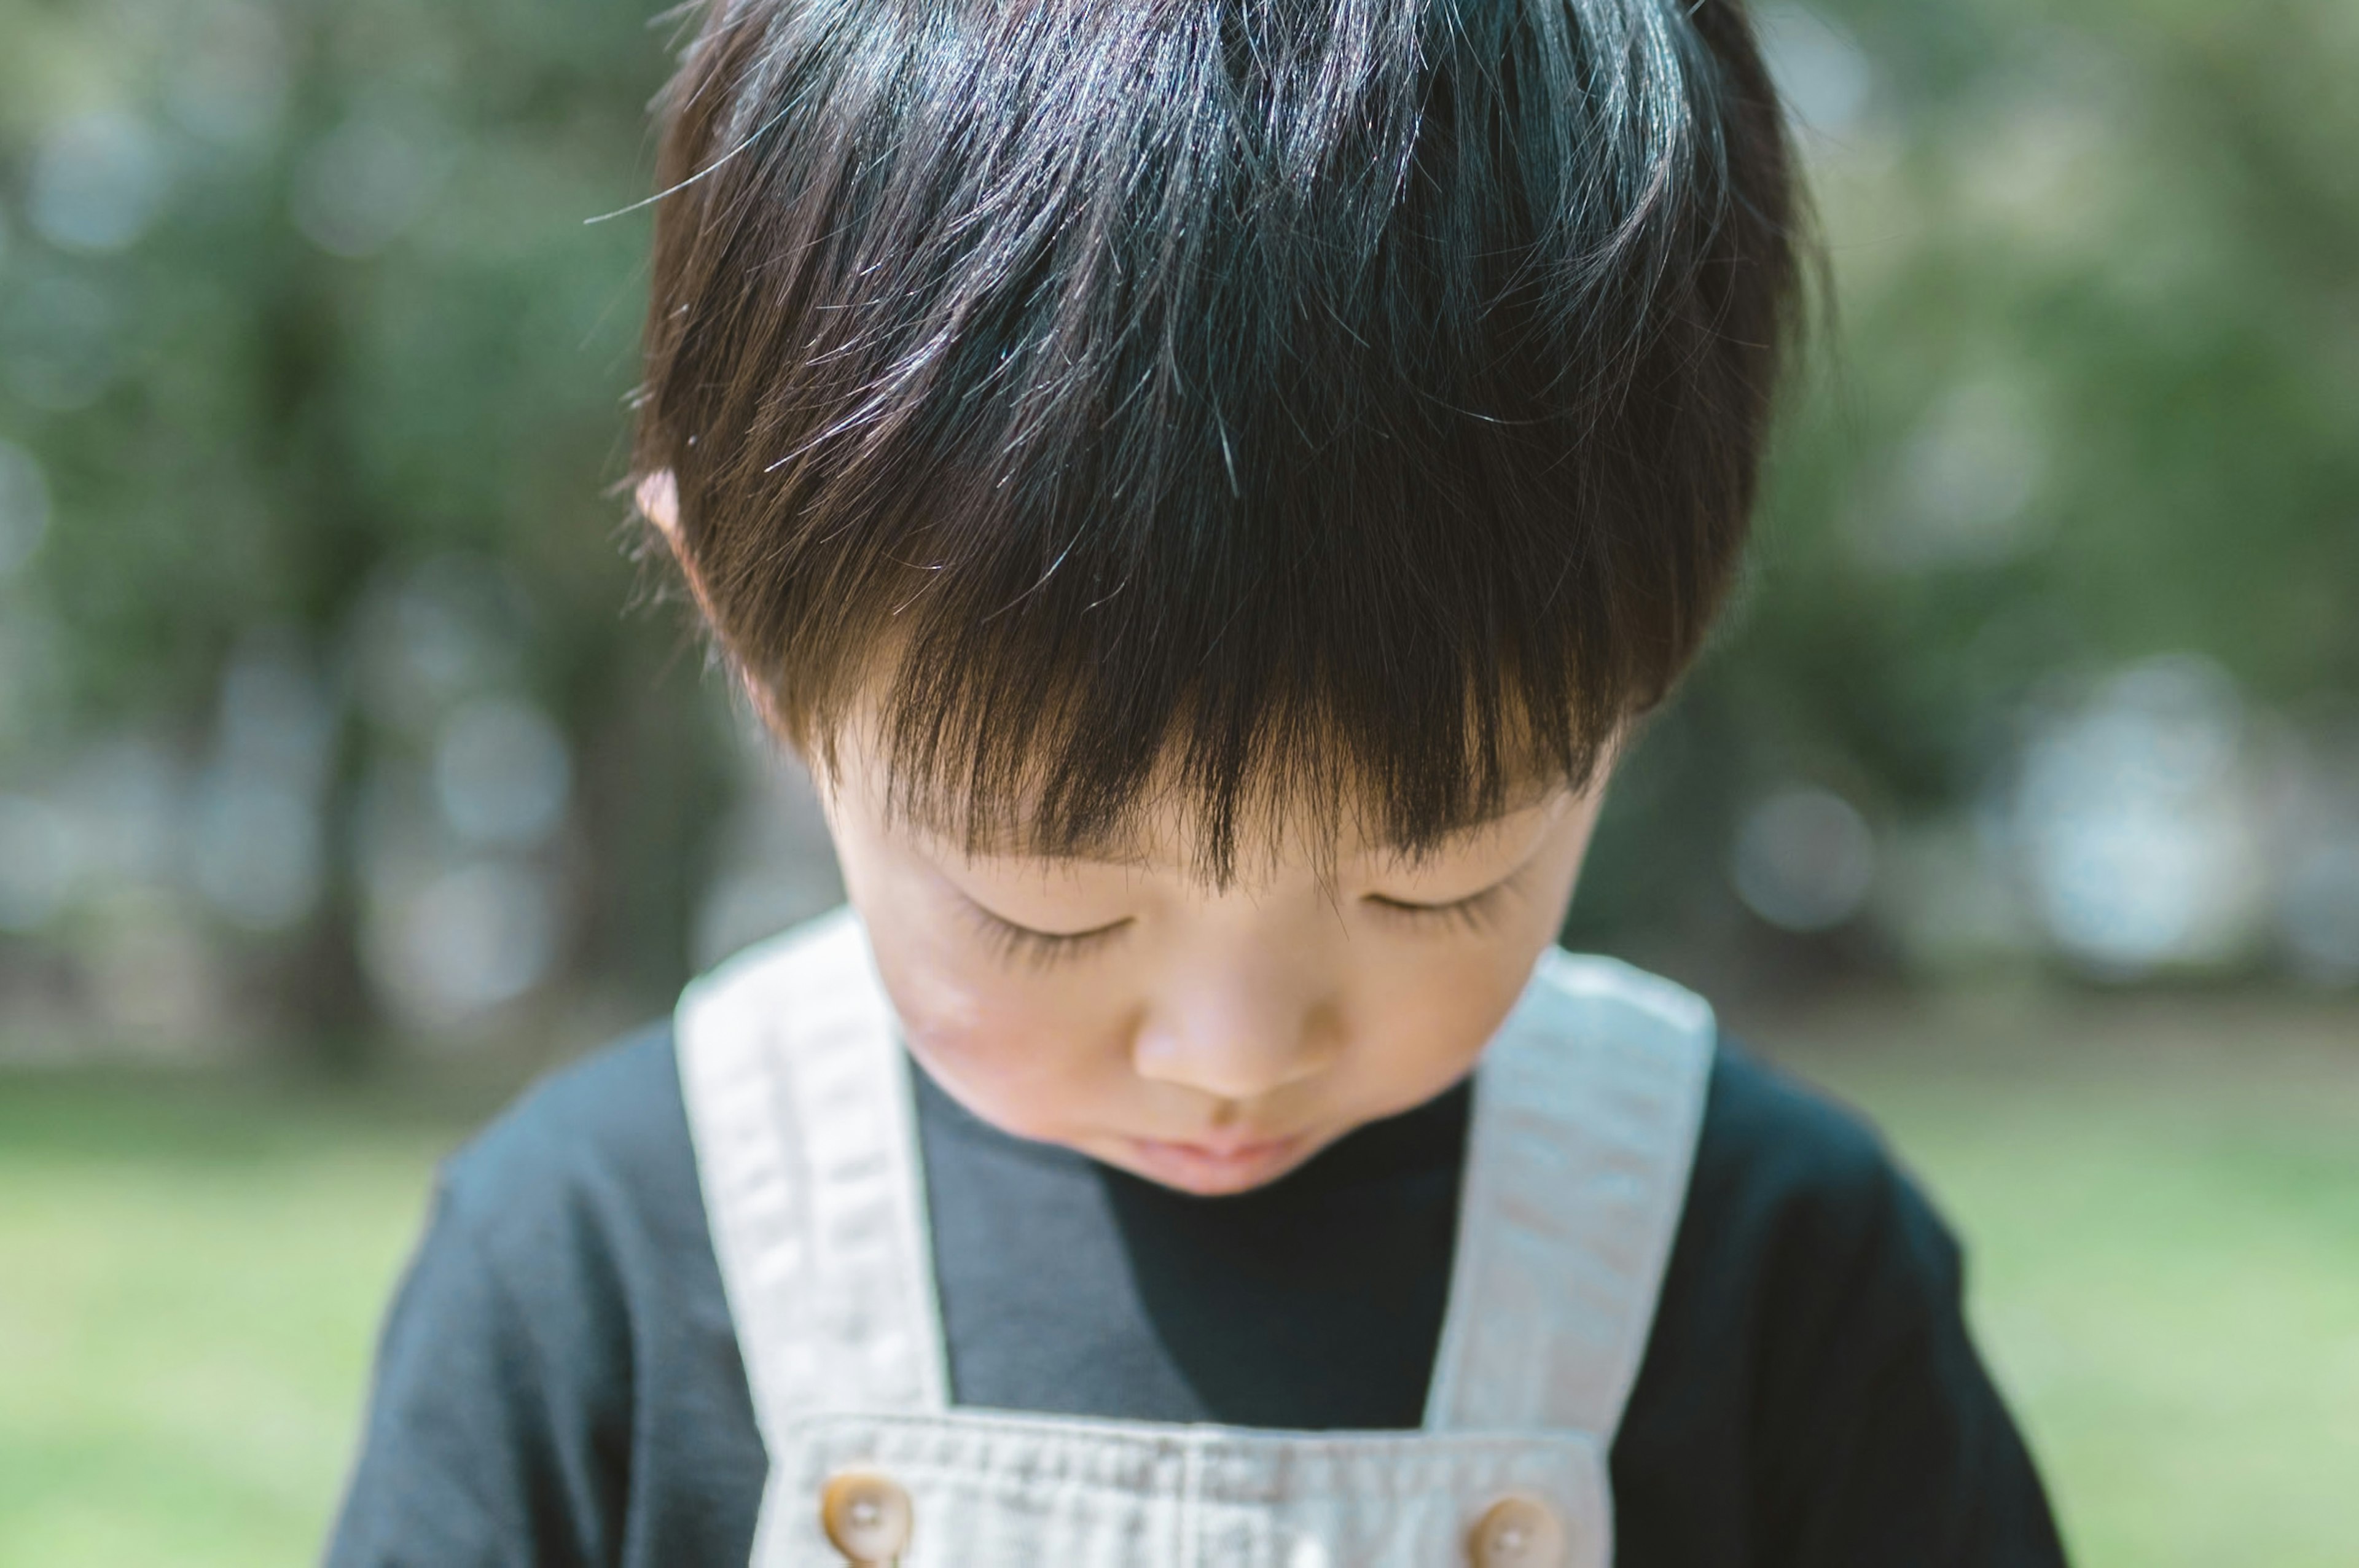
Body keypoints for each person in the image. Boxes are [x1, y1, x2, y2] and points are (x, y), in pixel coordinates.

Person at [328, 0, 2068, 1562]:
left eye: (1435, 875)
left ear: (1642, 674)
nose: (1235, 1053)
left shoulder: (1775, 1271)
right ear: (753, 640)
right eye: (1044, 899)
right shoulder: (598, 1259)